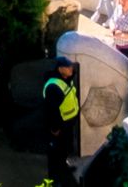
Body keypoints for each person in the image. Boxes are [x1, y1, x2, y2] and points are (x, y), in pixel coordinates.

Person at [42, 55, 81, 187]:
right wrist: (54, 129)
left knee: (64, 150)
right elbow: (51, 110)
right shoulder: (54, 87)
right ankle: (54, 179)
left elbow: (72, 73)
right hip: (59, 128)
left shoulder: (66, 77)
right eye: (68, 67)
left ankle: (64, 169)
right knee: (55, 154)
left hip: (67, 124)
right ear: (60, 69)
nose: (71, 69)